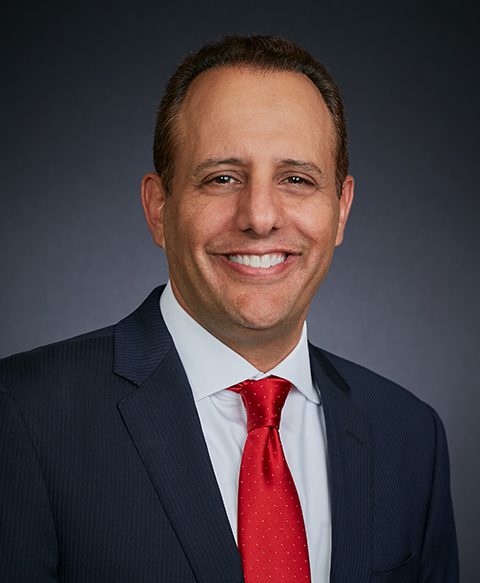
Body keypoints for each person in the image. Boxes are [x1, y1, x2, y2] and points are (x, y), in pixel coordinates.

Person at [0, 35, 458, 583]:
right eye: (222, 178)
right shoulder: (23, 415)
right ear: (158, 207)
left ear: (340, 209)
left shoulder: (409, 435)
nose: (260, 217)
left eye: (296, 179)